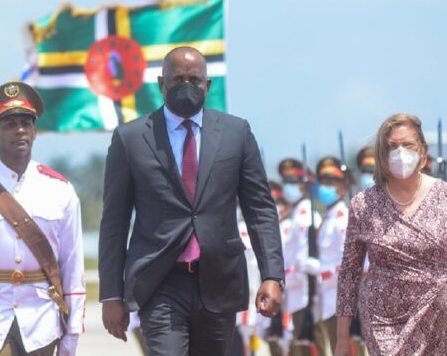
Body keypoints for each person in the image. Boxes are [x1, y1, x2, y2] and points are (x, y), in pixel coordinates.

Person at [98, 46, 284, 356]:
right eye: (178, 79)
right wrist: (111, 294)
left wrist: (272, 275)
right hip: (159, 281)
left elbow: (260, 210)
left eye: (195, 80)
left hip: (218, 279)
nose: (187, 86)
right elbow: (114, 222)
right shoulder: (130, 139)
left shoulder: (236, 133)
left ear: (208, 86)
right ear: (161, 84)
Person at [0, 82, 85, 355]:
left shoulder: (59, 189)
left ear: (34, 131)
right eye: (9, 124)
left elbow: (72, 266)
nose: (19, 130)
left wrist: (72, 333)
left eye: (25, 123)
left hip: (40, 318)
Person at [335, 113, 447, 356]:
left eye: (407, 145)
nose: (401, 153)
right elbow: (349, 273)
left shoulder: (444, 197)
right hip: (383, 319)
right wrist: (342, 338)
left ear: (422, 150)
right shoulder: (364, 204)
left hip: (439, 318)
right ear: (382, 155)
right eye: (392, 147)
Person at [306, 157, 349, 356]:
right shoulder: (328, 218)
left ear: (342, 187)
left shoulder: (343, 218)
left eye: (331, 182)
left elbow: (348, 263)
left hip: (341, 302)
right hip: (328, 300)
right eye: (322, 182)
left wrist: (320, 271)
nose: (326, 187)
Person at [279, 158, 321, 356]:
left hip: (307, 291)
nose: (289, 187)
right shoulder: (296, 213)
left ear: (305, 186)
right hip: (295, 291)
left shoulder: (306, 212)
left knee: (312, 346)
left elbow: (306, 254)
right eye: (286, 181)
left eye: (294, 182)